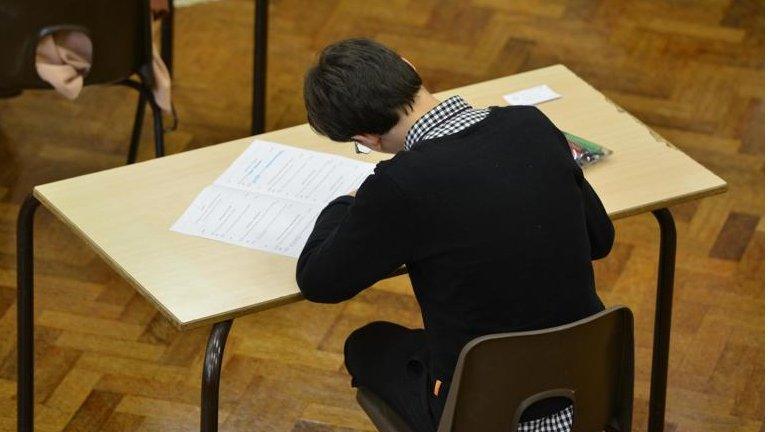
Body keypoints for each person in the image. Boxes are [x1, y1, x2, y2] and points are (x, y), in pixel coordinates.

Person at [296, 38, 614, 432]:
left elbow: (318, 280)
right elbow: (600, 239)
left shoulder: (399, 185)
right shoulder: (530, 124)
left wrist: (346, 202)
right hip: (588, 389)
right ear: (408, 65)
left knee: (366, 345)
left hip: (481, 411)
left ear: (366, 139)